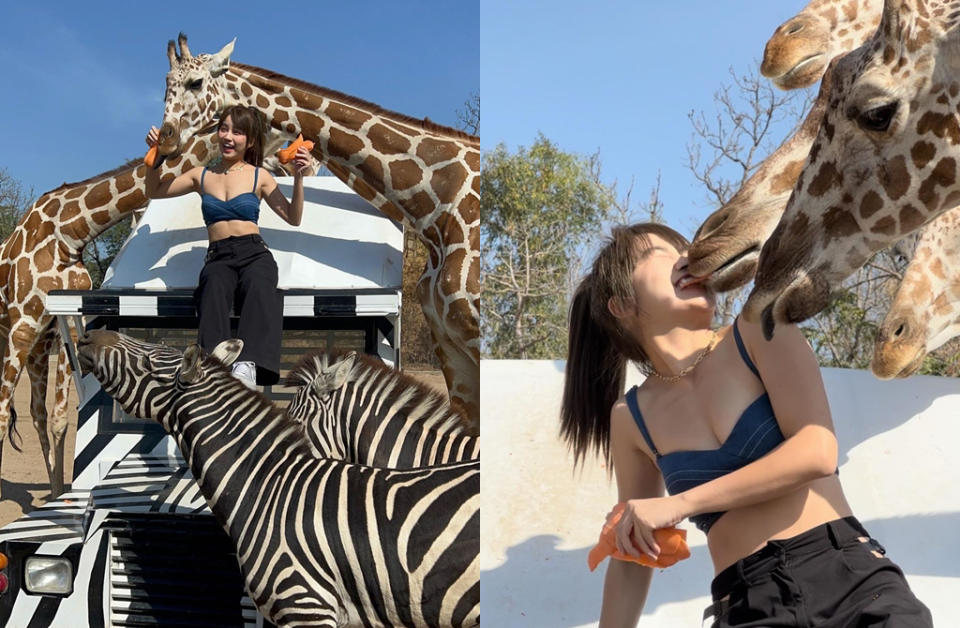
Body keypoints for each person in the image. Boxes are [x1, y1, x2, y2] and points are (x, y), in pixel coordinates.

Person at [560, 223, 932, 627]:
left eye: (689, 251)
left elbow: (816, 451)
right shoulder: (630, 417)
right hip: (747, 605)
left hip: (852, 582)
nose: (690, 261)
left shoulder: (760, 329)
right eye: (658, 254)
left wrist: (679, 503)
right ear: (622, 305)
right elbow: (634, 556)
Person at [144, 105, 311, 389]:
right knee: (212, 285)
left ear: (251, 141)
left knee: (260, 285)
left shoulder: (260, 176)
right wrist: (156, 157)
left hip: (254, 252)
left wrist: (298, 177)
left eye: (237, 131)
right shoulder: (202, 176)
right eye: (224, 129)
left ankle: (247, 365)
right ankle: (214, 365)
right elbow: (154, 191)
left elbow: (293, 218)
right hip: (218, 255)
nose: (229, 137)